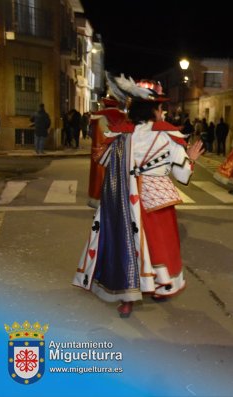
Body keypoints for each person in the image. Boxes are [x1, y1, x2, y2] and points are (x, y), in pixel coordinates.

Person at [73, 74, 205, 318]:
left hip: (124, 201)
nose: (162, 112)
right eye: (161, 107)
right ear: (155, 109)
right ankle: (158, 286)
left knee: (128, 246)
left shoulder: (121, 135)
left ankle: (126, 299)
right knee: (157, 246)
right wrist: (193, 160)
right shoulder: (168, 136)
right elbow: (182, 175)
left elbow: (103, 161)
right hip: (155, 201)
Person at [86, 96, 127, 209]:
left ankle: (97, 199)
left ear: (105, 105)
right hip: (118, 150)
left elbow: (92, 134)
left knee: (100, 175)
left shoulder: (98, 117)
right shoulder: (123, 117)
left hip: (101, 151)